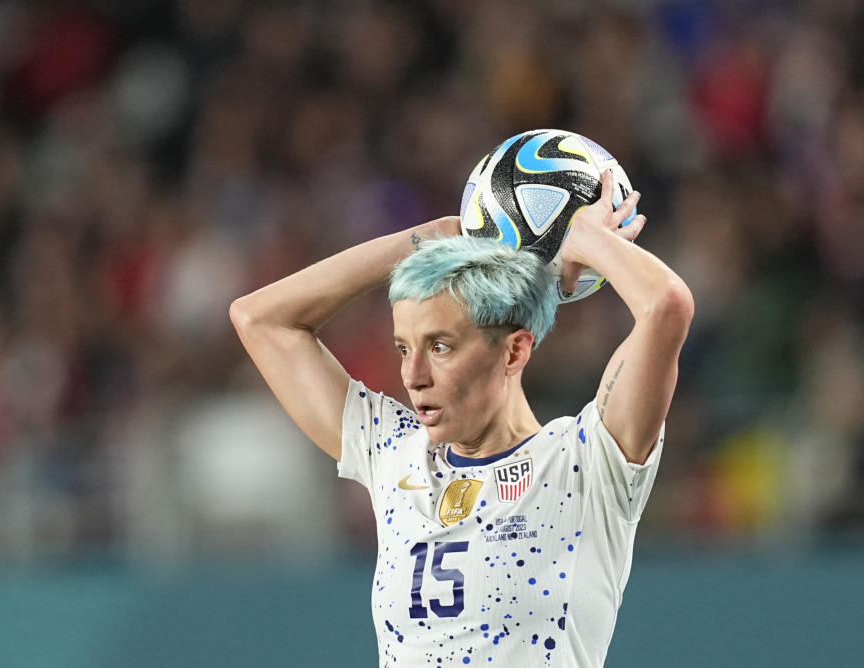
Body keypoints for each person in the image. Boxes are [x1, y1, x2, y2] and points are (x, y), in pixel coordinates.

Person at [230, 168, 693, 667]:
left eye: (441, 346)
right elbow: (259, 319)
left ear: (514, 352)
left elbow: (665, 305)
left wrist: (581, 238)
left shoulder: (586, 462)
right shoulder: (395, 454)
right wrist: (422, 241)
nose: (412, 375)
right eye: (403, 347)